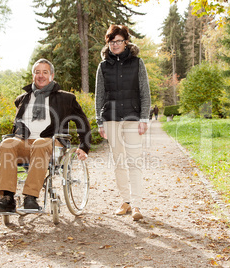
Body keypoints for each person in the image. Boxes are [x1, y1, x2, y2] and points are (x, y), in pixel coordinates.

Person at [0, 59, 91, 212]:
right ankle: (7, 198)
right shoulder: (23, 99)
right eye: (37, 72)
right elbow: (18, 123)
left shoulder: (66, 98)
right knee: (7, 144)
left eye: (45, 72)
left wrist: (84, 146)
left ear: (52, 75)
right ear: (33, 75)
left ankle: (31, 197)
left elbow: (81, 121)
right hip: (25, 142)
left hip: (52, 142)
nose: (41, 75)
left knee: (40, 143)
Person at [95, 25, 151, 221]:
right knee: (118, 162)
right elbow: (99, 95)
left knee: (134, 161)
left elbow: (145, 92)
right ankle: (125, 201)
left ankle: (137, 205)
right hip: (111, 118)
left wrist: (144, 118)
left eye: (118, 41)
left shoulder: (137, 63)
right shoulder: (103, 66)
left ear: (126, 42)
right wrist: (99, 121)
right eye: (111, 42)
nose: (115, 45)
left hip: (133, 118)